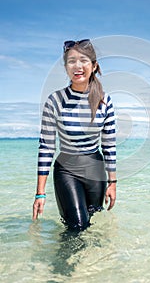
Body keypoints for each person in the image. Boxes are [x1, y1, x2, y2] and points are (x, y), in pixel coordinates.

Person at [32, 39, 117, 232]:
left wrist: (112, 182)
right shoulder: (55, 100)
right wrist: (40, 193)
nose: (77, 66)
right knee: (76, 227)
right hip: (66, 169)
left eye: (84, 60)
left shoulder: (105, 101)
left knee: (93, 226)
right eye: (71, 61)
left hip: (95, 170)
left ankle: (94, 263)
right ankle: (63, 263)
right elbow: (46, 147)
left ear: (94, 66)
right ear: (65, 67)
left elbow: (109, 145)